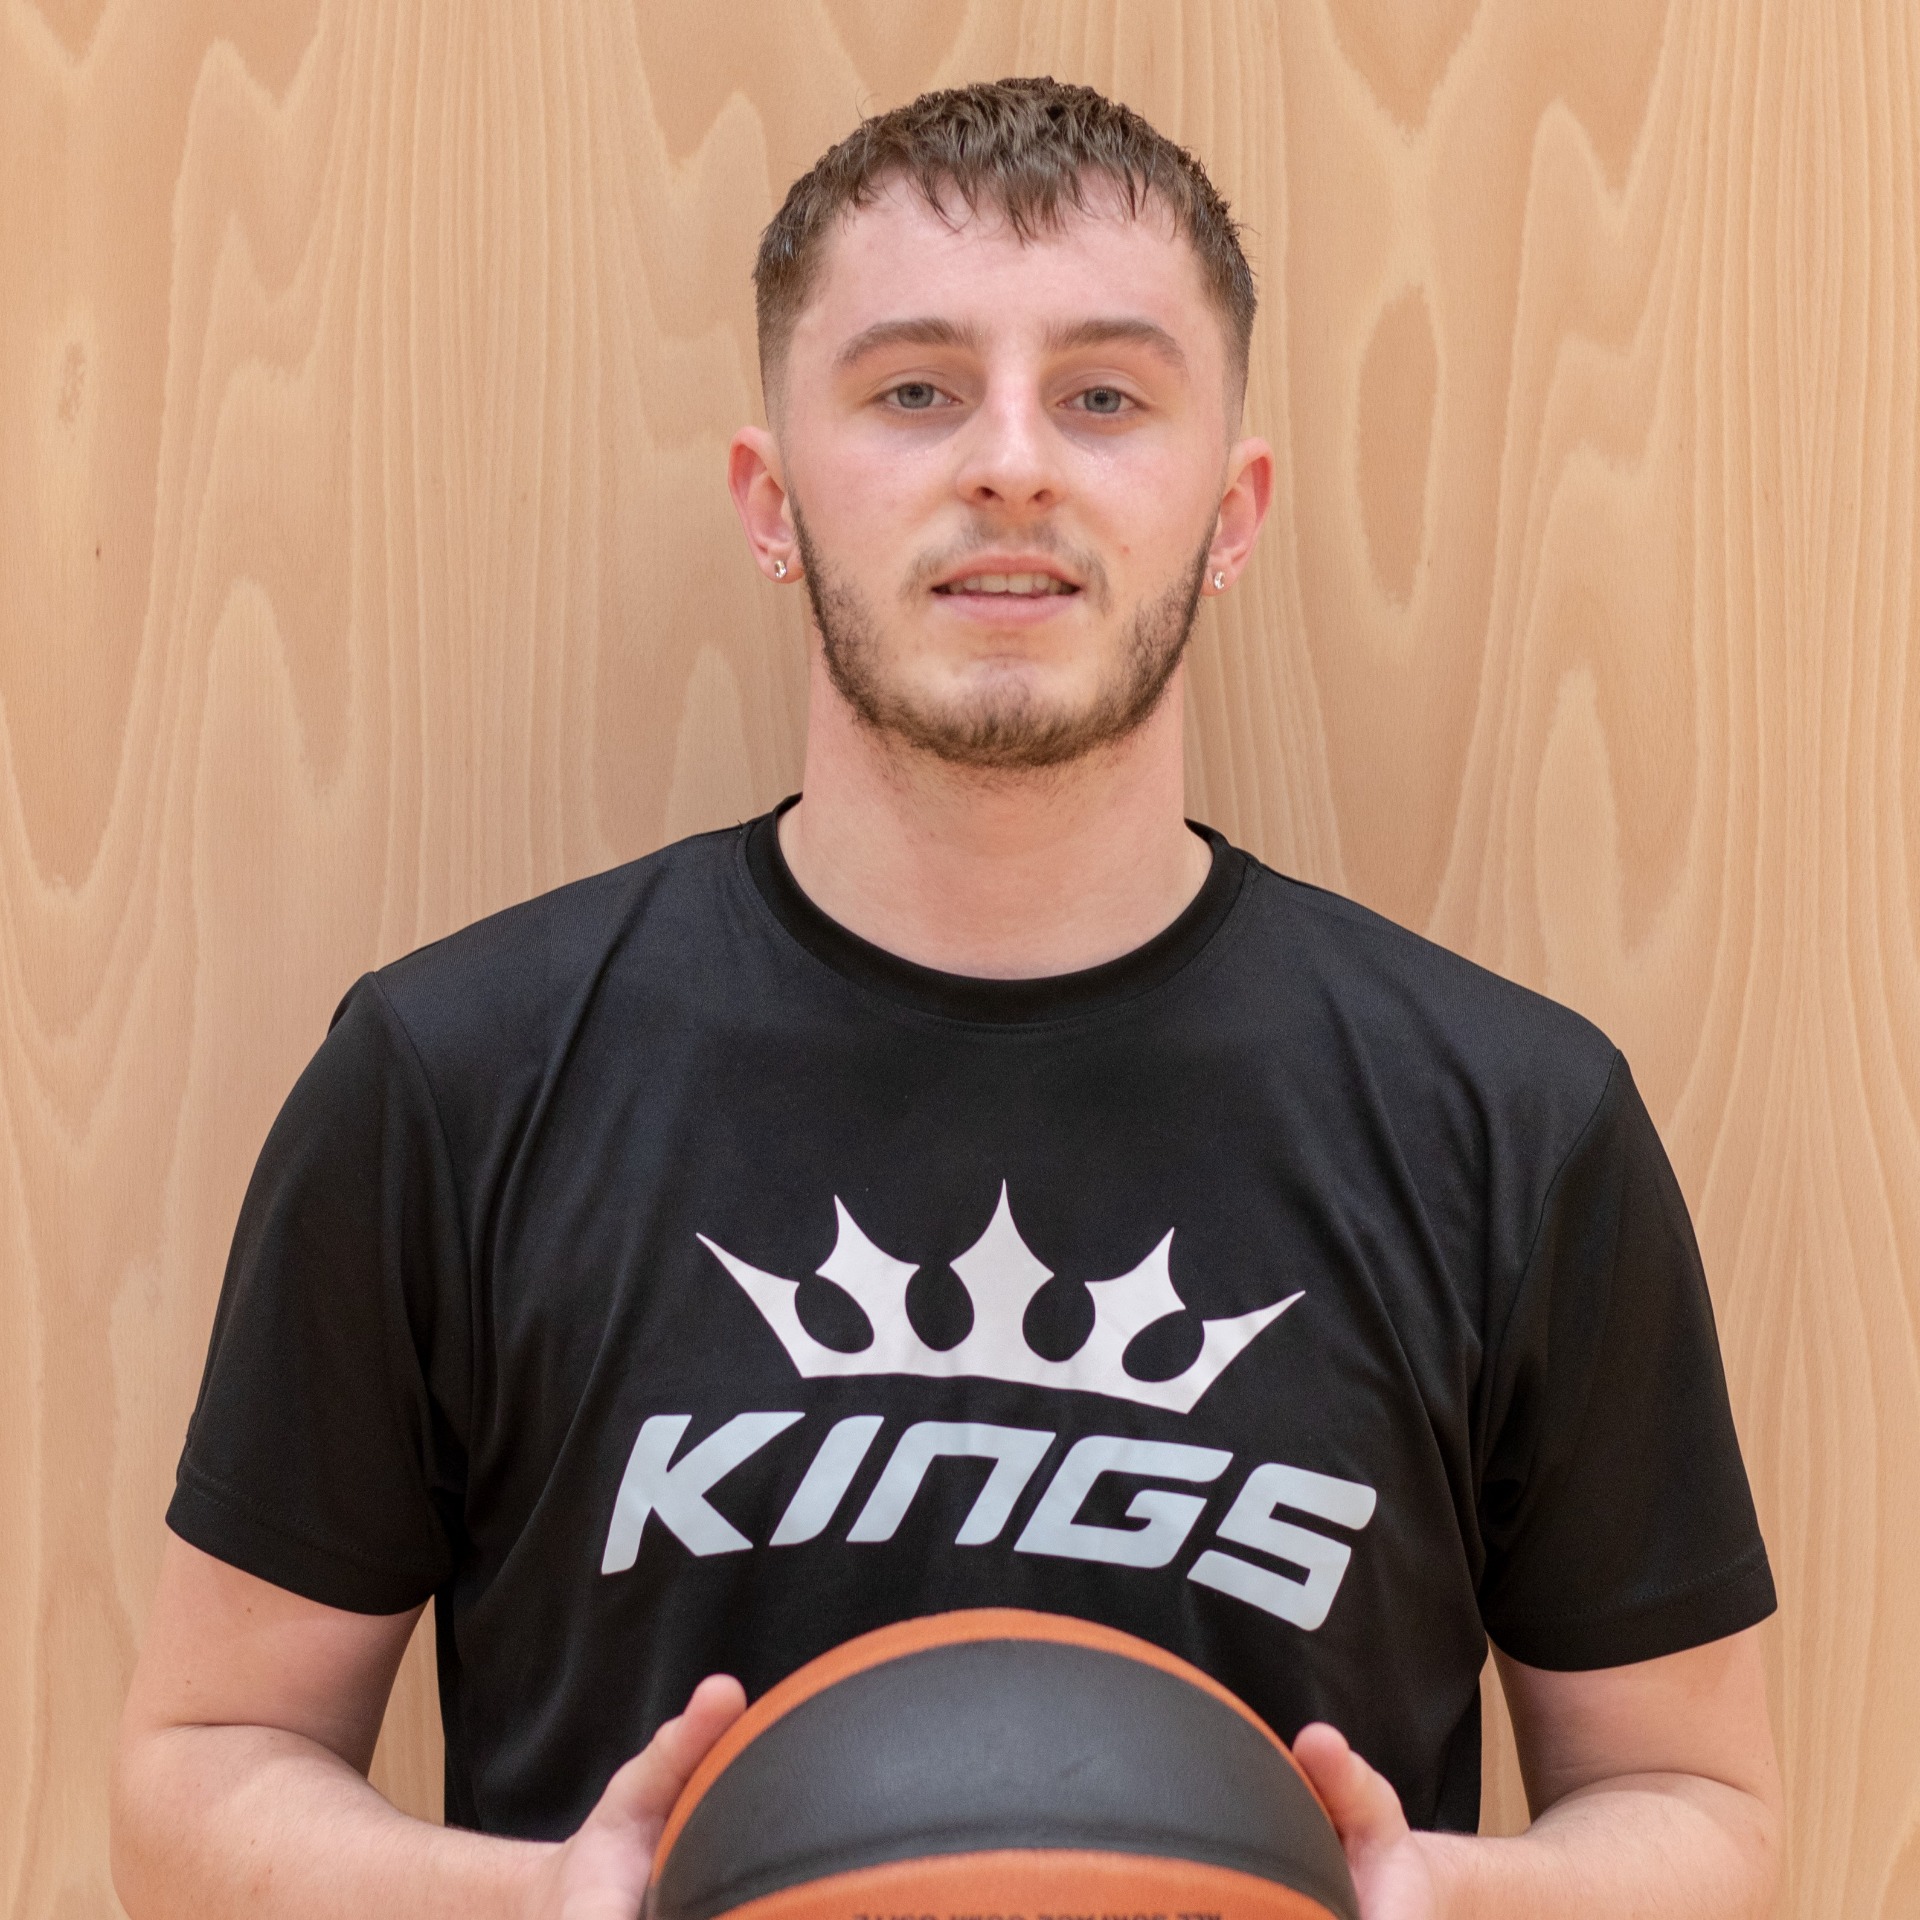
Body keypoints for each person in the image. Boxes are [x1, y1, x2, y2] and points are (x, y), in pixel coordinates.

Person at [112, 78, 1782, 1920]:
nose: (1012, 463)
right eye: (914, 390)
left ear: (1232, 514)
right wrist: (547, 1906)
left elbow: (1697, 1801)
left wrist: (1432, 1903)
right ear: (772, 500)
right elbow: (198, 1777)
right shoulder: (454, 1081)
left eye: (1105, 396)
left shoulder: (1511, 1122)